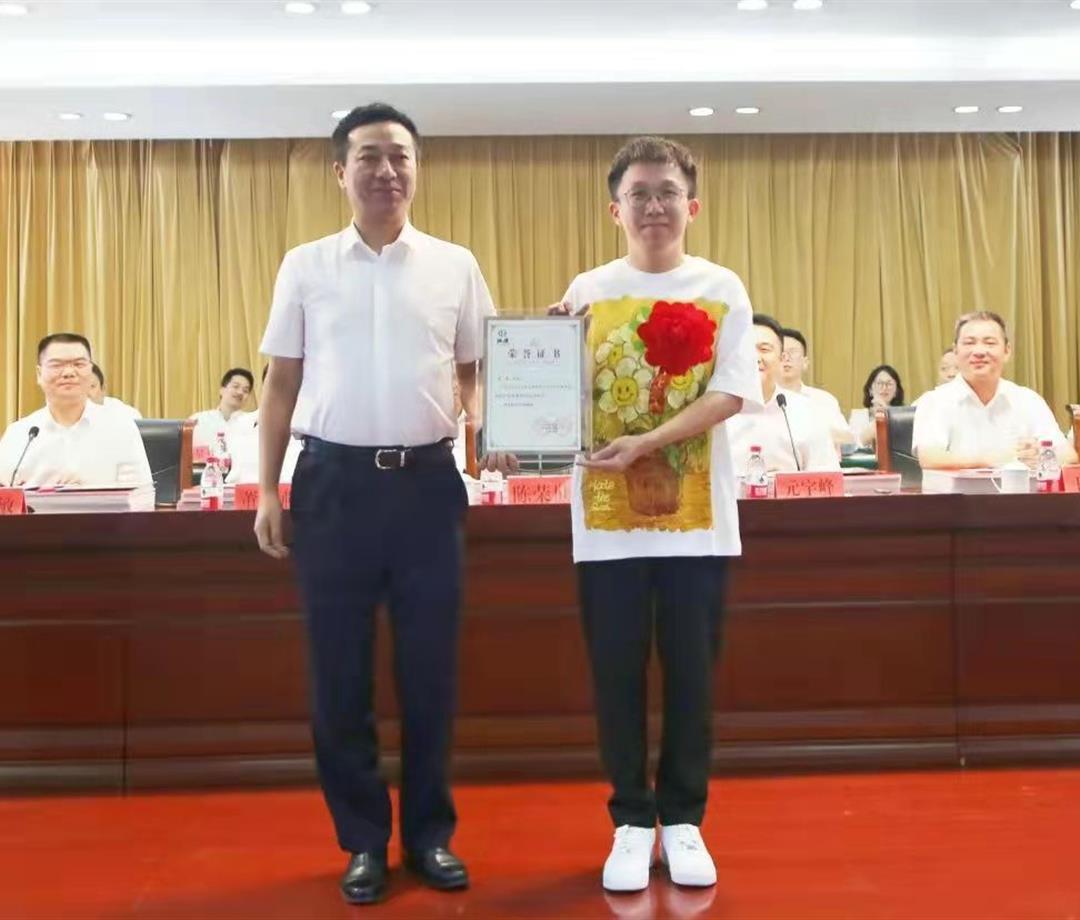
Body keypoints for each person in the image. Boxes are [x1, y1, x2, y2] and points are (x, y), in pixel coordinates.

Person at [253, 103, 505, 906]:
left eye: (400, 155)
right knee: (339, 674)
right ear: (341, 171)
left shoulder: (455, 266)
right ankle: (362, 839)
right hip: (332, 485)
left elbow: (475, 371)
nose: (386, 170)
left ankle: (429, 836)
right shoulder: (305, 266)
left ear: (417, 169)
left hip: (428, 486)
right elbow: (280, 384)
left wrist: (490, 422)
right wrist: (266, 489)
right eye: (369, 156)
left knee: (430, 672)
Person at [550, 135, 762, 894]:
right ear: (615, 210)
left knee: (691, 676)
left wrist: (649, 441)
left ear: (692, 206)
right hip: (604, 522)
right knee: (615, 674)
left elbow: (731, 392)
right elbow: (558, 397)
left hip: (698, 520)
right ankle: (631, 822)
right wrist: (544, 353)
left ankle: (684, 818)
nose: (653, 206)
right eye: (637, 193)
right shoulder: (588, 289)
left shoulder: (721, 286)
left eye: (667, 192)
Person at [913, 311, 1075, 469]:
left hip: (1019, 488)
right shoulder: (935, 401)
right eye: (969, 343)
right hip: (957, 489)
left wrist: (1039, 455)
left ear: (1007, 351)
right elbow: (930, 458)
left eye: (989, 343)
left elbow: (1069, 457)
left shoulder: (1028, 399)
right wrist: (996, 459)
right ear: (955, 351)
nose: (979, 352)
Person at [0, 334, 152, 488]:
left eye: (79, 364)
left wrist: (87, 493)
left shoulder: (121, 428)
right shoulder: (19, 434)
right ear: (39, 373)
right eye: (56, 365)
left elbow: (141, 498)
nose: (68, 373)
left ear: (90, 370)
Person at [726, 315, 841, 474]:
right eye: (746, 349)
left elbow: (827, 475)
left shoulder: (808, 411)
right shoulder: (715, 412)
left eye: (764, 349)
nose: (755, 357)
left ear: (782, 359)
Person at [778, 328, 853, 447]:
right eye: (781, 352)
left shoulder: (824, 400)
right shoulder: (758, 400)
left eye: (792, 352)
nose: (786, 357)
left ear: (805, 363)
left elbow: (847, 442)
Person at [190, 368, 252, 455]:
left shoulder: (252, 424)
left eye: (245, 390)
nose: (240, 392)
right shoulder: (198, 420)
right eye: (235, 386)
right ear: (221, 390)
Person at [848, 364, 906, 449]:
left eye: (889, 384)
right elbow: (853, 445)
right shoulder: (858, 415)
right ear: (870, 390)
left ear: (896, 392)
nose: (884, 388)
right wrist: (878, 419)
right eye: (879, 383)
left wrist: (887, 413)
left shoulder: (904, 416)